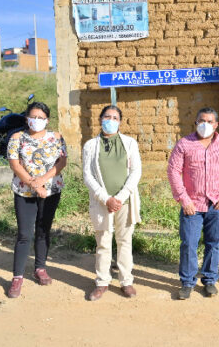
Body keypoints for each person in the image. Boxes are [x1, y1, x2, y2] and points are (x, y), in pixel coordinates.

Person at [167, 107, 219, 299]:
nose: (205, 125)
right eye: (202, 120)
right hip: (192, 205)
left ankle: (209, 280)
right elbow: (173, 172)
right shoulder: (184, 144)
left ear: (216, 125)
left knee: (213, 243)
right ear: (195, 122)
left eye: (210, 121)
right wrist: (184, 199)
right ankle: (187, 282)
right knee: (188, 244)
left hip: (217, 205)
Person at [6, 101, 67, 298]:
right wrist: (34, 185)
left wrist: (43, 181)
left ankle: (40, 268)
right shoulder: (17, 138)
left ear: (47, 120)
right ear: (27, 118)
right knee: (24, 234)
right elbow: (15, 165)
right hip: (24, 192)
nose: (37, 121)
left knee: (43, 230)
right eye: (33, 117)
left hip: (51, 191)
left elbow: (62, 161)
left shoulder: (56, 137)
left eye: (41, 118)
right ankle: (17, 277)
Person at [83, 105, 142, 301]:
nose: (111, 120)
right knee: (103, 243)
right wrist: (105, 198)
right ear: (100, 119)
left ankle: (126, 281)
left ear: (120, 121)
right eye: (107, 116)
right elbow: (88, 175)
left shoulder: (130, 143)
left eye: (115, 117)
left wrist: (120, 197)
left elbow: (135, 172)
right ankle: (102, 282)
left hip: (124, 202)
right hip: (102, 202)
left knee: (125, 241)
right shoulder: (90, 145)